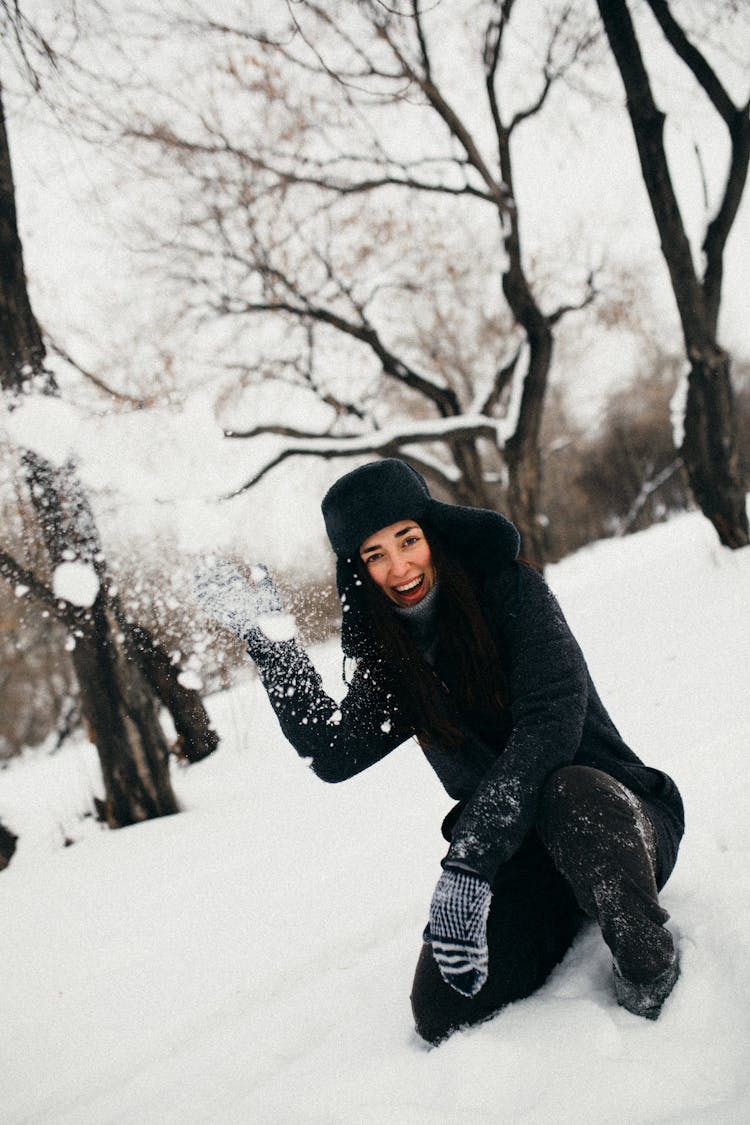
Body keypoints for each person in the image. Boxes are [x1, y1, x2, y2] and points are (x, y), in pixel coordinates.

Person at [195, 458, 684, 1045]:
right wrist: (269, 646)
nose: (399, 566)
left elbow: (548, 728)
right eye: (376, 555)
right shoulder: (394, 664)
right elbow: (331, 752)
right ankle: (568, 904)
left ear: (434, 532)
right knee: (443, 1007)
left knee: (567, 791)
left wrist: (470, 860)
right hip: (524, 858)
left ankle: (650, 973)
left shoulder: (515, 593)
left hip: (616, 823)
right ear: (360, 572)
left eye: (408, 540)